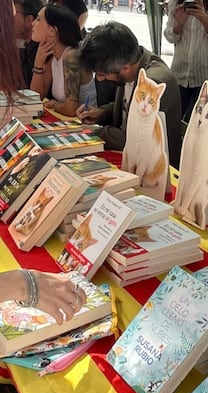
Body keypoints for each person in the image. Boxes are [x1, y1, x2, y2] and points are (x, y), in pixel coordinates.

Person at [0, 0, 87, 324]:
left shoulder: (72, 58)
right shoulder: (47, 56)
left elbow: (39, 101)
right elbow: (38, 96)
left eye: (35, 18)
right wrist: (24, 284)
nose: (22, 21)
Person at [76, 22, 183, 169]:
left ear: (125, 68)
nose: (100, 79)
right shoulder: (133, 63)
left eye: (102, 74)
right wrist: (102, 112)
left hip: (155, 169)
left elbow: (134, 141)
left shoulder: (152, 83)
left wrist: (94, 132)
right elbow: (130, 105)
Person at [164, 0, 208, 120]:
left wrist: (204, 18)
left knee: (200, 124)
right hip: (180, 73)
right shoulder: (176, 2)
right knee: (172, 121)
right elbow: (170, 37)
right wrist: (179, 24)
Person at [30, 4, 97, 117]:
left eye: (38, 19)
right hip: (66, 120)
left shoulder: (71, 57)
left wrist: (55, 105)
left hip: (85, 123)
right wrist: (38, 63)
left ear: (52, 31)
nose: (32, 23)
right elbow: (36, 97)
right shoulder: (51, 55)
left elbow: (71, 109)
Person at [13, 0, 43, 88]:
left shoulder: (42, 48)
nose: (7, 18)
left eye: (14, 14)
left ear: (29, 20)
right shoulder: (15, 43)